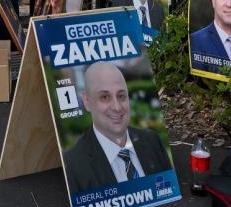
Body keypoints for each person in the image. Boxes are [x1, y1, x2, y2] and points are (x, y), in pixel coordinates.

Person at [62, 62, 173, 193]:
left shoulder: (152, 140)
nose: (117, 107)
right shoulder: (71, 165)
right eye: (104, 97)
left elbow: (169, 191)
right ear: (87, 101)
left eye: (121, 96)